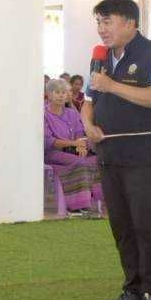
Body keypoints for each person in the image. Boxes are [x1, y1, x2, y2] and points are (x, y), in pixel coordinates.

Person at [82, 0, 151, 300]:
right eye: (99, 22)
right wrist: (88, 126)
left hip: (145, 157)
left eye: (107, 21)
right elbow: (88, 101)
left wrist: (112, 85)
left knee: (146, 226)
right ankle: (132, 288)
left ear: (131, 23)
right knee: (121, 227)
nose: (101, 29)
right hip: (110, 155)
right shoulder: (100, 58)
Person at [44, 79, 102, 216]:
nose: (61, 95)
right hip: (52, 152)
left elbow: (80, 133)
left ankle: (96, 199)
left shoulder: (72, 113)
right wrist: (74, 144)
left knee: (97, 160)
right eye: (57, 92)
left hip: (74, 150)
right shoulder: (43, 114)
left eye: (64, 92)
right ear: (49, 94)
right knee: (80, 162)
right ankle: (76, 205)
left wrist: (81, 145)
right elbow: (49, 141)